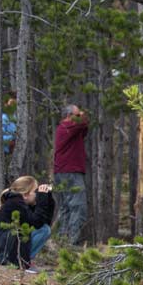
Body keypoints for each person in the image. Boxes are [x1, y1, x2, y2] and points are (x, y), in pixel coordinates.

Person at [0, 176, 54, 270]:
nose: (37, 194)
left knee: (44, 229)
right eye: (35, 192)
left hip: (11, 244)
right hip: (7, 250)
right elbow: (36, 223)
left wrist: (47, 198)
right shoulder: (15, 203)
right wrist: (42, 200)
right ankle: (22, 262)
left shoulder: (20, 203)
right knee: (43, 230)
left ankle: (24, 260)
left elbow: (44, 221)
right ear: (25, 194)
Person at [54, 103, 89, 244]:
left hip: (63, 171)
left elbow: (84, 128)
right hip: (70, 172)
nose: (79, 116)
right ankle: (72, 243)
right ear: (69, 116)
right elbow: (84, 122)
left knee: (66, 208)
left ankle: (62, 241)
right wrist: (83, 115)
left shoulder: (68, 128)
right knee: (77, 206)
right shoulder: (68, 126)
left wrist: (81, 117)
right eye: (76, 114)